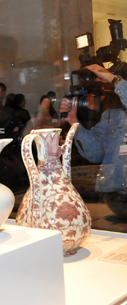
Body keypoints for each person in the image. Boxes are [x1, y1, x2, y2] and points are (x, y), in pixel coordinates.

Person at [59, 64, 127, 218]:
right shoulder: (112, 115)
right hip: (114, 198)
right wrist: (74, 122)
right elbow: (95, 153)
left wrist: (113, 79)